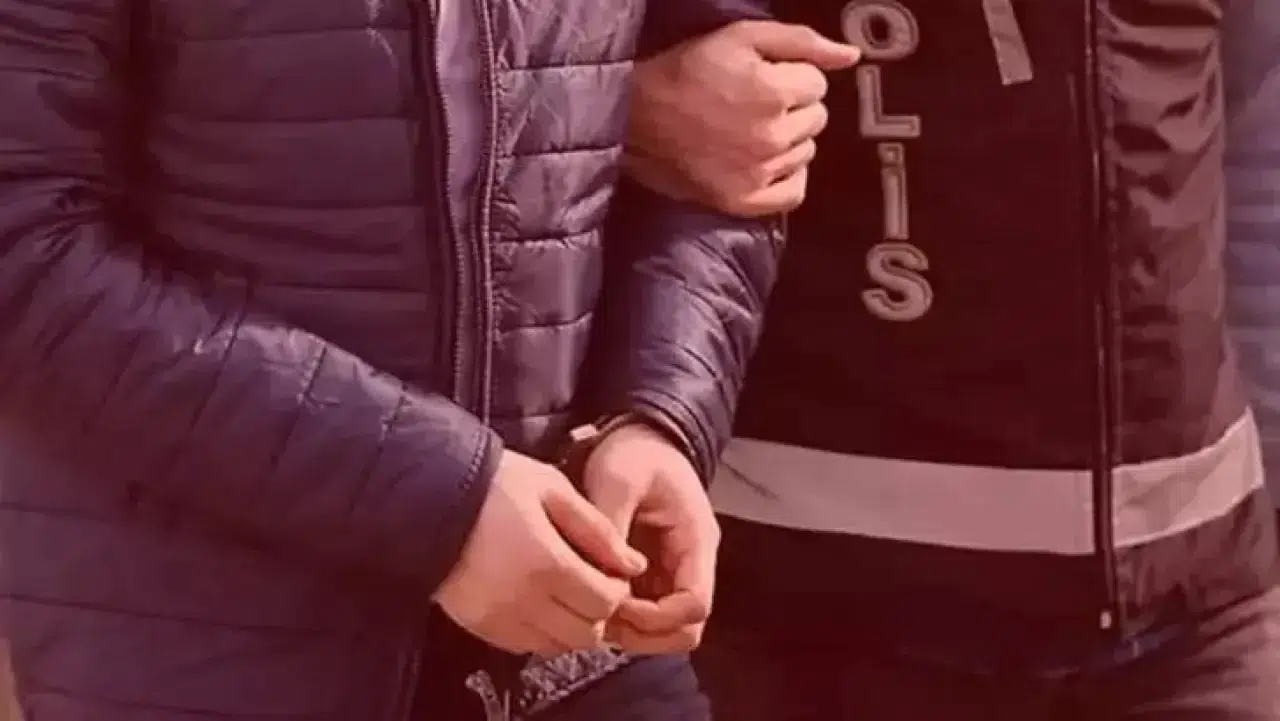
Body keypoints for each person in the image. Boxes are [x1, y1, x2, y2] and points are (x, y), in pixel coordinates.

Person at [0, 1, 780, 720]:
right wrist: (439, 505)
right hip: (209, 648)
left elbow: (732, 132)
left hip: (577, 634)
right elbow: (23, 248)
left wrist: (653, 414)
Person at [627, 2, 1280, 719]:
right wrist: (626, 112)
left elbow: (1259, 135)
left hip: (1201, 617)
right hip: (822, 628)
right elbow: (562, 73)